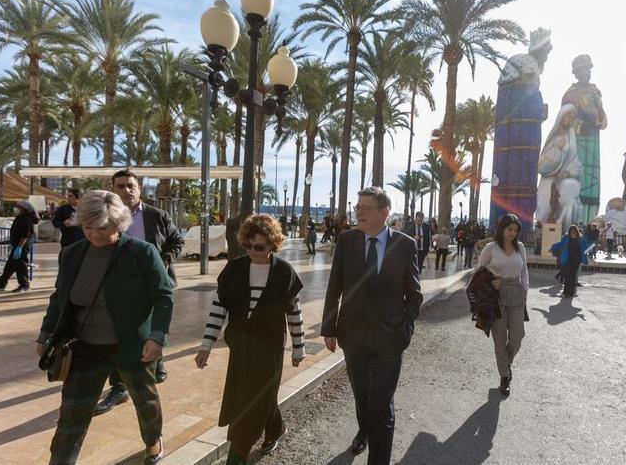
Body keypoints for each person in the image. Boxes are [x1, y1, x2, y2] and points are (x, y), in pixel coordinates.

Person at [36, 190, 173, 465]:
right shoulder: (72, 254)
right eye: (88, 227)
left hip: (131, 344)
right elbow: (59, 297)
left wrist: (157, 336)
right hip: (84, 347)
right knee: (71, 415)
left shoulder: (141, 252)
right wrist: (45, 333)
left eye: (103, 228)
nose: (95, 234)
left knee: (144, 400)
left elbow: (163, 296)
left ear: (119, 223)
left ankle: (153, 440)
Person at [321, 187, 423, 465]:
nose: (359, 212)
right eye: (357, 207)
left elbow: (414, 294)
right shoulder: (346, 241)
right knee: (362, 393)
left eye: (366, 208)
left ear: (384, 212)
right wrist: (329, 327)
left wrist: (406, 330)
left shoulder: (404, 245)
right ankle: (363, 429)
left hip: (390, 338)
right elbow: (335, 287)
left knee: (381, 403)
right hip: (353, 336)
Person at [194, 214, 306, 464]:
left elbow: (295, 314)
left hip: (270, 348)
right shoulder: (234, 269)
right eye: (248, 245)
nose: (253, 251)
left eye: (260, 247)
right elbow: (218, 309)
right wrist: (206, 346)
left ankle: (238, 453)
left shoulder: (284, 272)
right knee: (252, 393)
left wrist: (299, 348)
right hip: (241, 347)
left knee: (251, 399)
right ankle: (275, 428)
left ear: (272, 244)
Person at [95, 169, 184, 415]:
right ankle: (118, 387)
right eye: (120, 186)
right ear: (113, 189)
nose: (126, 190)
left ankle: (156, 363)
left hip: (153, 281)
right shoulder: (105, 217)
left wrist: (164, 260)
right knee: (117, 332)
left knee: (154, 324)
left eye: (131, 186)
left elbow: (177, 240)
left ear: (140, 188)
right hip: (118, 285)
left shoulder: (157, 215)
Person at [477, 214, 529, 397]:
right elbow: (479, 271)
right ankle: (504, 377)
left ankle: (506, 364)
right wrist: (491, 281)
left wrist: (525, 290)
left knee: (517, 335)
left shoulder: (520, 247)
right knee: (499, 340)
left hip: (516, 294)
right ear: (502, 229)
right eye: (509, 229)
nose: (512, 233)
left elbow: (524, 270)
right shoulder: (491, 248)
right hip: (496, 296)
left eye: (515, 230)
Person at [0, 200, 39, 293]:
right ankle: (1, 284)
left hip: (22, 246)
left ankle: (25, 285)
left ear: (24, 209)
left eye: (19, 207)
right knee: (10, 266)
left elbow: (25, 235)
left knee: (21, 265)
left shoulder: (26, 220)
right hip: (17, 246)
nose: (16, 209)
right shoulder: (20, 217)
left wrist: (19, 248)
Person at [550, 225, 590, 298]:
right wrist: (552, 247)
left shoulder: (581, 239)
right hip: (567, 260)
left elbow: (587, 247)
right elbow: (560, 244)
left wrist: (587, 251)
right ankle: (566, 292)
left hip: (576, 260)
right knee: (567, 276)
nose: (572, 233)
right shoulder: (566, 238)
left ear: (577, 232)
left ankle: (570, 293)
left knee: (573, 276)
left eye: (574, 232)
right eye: (571, 232)